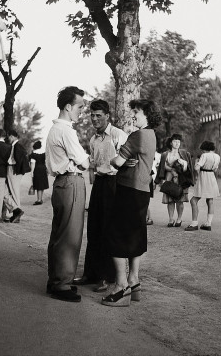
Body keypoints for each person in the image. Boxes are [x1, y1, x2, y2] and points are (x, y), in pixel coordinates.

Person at [101, 98, 162, 307]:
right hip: (143, 191)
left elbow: (117, 162)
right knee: (135, 234)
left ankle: (121, 287)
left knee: (115, 234)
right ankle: (134, 280)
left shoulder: (137, 136)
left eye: (136, 111)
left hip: (128, 190)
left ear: (147, 114)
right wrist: (128, 159)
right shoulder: (152, 135)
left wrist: (116, 160)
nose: (133, 115)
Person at [74, 99, 128, 293]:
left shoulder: (118, 135)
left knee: (108, 230)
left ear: (107, 116)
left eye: (99, 115)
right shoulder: (94, 139)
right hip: (99, 183)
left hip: (114, 184)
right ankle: (91, 273)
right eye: (92, 115)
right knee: (94, 228)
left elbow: (129, 161)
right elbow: (94, 164)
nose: (95, 119)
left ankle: (107, 276)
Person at [46, 86, 90, 303]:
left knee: (59, 233)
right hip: (71, 181)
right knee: (70, 235)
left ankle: (56, 280)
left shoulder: (55, 129)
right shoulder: (66, 131)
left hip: (61, 183)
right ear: (68, 106)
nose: (81, 111)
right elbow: (83, 162)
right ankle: (62, 284)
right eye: (79, 106)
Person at [155, 133, 194, 227]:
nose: (177, 143)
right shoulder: (165, 154)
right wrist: (158, 180)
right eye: (175, 141)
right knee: (170, 200)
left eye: (178, 141)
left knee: (180, 200)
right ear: (171, 143)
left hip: (181, 180)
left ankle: (179, 219)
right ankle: (171, 219)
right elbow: (161, 168)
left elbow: (188, 169)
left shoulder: (185, 153)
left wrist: (183, 164)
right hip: (169, 179)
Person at [185, 141, 220, 232]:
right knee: (210, 200)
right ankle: (208, 223)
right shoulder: (217, 156)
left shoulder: (204, 155)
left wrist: (196, 163)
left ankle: (194, 223)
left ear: (204, 149)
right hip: (212, 178)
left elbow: (197, 168)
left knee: (194, 200)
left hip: (204, 178)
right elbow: (215, 169)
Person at [6, 129, 31, 223]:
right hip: (14, 170)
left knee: (14, 192)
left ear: (12, 136)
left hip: (13, 170)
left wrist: (17, 170)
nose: (8, 138)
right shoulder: (17, 146)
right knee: (14, 192)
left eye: (9, 136)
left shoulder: (17, 146)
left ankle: (17, 214)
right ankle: (16, 214)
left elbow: (18, 160)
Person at [29, 140, 49, 205]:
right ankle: (40, 198)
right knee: (42, 185)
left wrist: (32, 173)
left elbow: (33, 164)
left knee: (38, 185)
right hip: (43, 169)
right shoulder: (44, 154)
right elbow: (46, 162)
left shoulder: (33, 154)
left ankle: (39, 200)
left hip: (37, 169)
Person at [146, 151, 161, 225]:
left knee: (146, 200)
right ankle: (147, 217)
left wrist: (155, 182)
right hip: (145, 178)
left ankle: (149, 218)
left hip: (149, 179)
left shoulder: (156, 155)